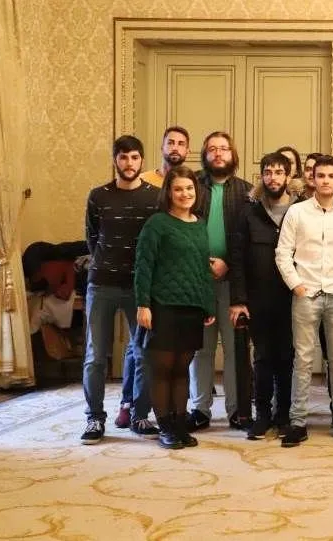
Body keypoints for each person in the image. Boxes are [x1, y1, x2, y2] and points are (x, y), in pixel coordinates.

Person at [276, 154, 333, 446]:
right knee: (302, 360)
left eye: (331, 176)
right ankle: (298, 422)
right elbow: (282, 253)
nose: (325, 181)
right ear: (313, 179)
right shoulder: (297, 212)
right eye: (320, 176)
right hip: (306, 294)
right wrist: (297, 285)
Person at [81, 135, 160, 444]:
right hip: (101, 284)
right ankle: (94, 419)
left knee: (144, 354)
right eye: (124, 157)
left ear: (142, 161)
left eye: (135, 158)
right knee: (96, 356)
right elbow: (92, 238)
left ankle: (140, 415)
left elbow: (155, 243)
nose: (129, 163)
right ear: (115, 160)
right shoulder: (97, 196)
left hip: (138, 287)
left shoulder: (154, 197)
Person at [134, 166, 215, 449]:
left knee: (182, 368)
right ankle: (166, 427)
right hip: (162, 305)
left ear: (197, 191)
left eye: (189, 188)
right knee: (163, 370)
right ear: (169, 192)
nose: (185, 194)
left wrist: (208, 304)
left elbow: (203, 268)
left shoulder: (200, 224)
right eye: (178, 189)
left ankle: (180, 425)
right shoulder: (157, 224)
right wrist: (143, 304)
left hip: (192, 307)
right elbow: (143, 266)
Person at [186, 131, 253, 432]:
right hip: (195, 280)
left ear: (232, 154)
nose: (218, 154)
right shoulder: (190, 187)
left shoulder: (248, 192)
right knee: (200, 348)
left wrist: (227, 264)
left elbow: (252, 241)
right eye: (211, 149)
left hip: (233, 282)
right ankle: (199, 409)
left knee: (236, 347)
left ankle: (237, 410)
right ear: (205, 154)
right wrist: (203, 262)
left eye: (223, 149)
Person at [229, 152, 298, 440]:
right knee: (263, 358)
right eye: (267, 172)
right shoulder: (249, 211)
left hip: (293, 297)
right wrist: (238, 300)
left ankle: (284, 415)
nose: (273, 178)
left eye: (279, 172)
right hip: (258, 298)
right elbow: (236, 258)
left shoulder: (300, 209)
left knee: (287, 357)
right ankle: (262, 415)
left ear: (288, 176)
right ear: (261, 176)